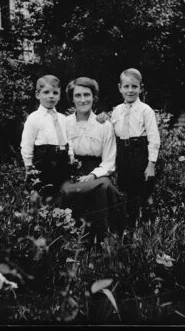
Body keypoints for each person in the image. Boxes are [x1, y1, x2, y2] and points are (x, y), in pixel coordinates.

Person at [59, 77, 125, 246]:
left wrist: (93, 175)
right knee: (65, 190)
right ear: (72, 99)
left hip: (97, 172)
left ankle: (104, 240)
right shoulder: (64, 123)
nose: (83, 100)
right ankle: (71, 240)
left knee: (104, 187)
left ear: (94, 97)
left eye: (87, 95)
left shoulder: (104, 125)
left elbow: (109, 160)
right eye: (78, 95)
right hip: (71, 173)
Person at [111, 68, 160, 227]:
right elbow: (112, 135)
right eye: (126, 86)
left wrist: (151, 164)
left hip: (140, 153)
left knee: (143, 192)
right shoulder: (117, 111)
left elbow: (154, 138)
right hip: (123, 154)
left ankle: (149, 229)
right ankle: (129, 228)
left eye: (134, 86)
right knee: (126, 191)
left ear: (141, 88)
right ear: (120, 88)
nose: (130, 90)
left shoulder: (146, 111)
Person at [20, 74, 74, 205]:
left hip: (62, 159)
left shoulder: (62, 118)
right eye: (46, 92)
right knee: (43, 193)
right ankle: (43, 218)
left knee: (62, 193)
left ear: (60, 95)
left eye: (55, 93)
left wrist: (71, 153)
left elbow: (69, 138)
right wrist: (28, 165)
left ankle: (61, 217)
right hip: (44, 160)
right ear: (37, 95)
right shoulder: (34, 118)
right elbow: (27, 143)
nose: (51, 96)